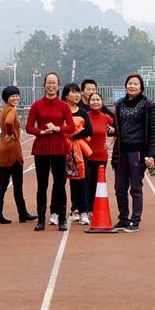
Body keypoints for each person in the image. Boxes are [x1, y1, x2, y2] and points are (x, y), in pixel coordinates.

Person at [25, 72, 75, 231]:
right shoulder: (37, 105)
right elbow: (28, 127)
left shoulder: (64, 106)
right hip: (42, 147)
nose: (51, 85)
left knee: (60, 184)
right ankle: (41, 219)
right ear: (44, 85)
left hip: (59, 147)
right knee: (42, 184)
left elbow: (71, 127)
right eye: (48, 82)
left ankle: (62, 219)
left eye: (54, 83)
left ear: (58, 86)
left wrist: (58, 128)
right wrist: (41, 132)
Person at [111, 73, 155, 232]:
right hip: (121, 152)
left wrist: (151, 154)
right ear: (125, 86)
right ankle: (123, 219)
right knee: (119, 188)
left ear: (141, 87)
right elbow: (116, 127)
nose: (132, 86)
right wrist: (111, 130)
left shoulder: (147, 105)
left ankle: (135, 220)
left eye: (135, 84)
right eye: (129, 83)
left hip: (137, 152)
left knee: (135, 188)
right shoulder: (119, 104)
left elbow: (153, 131)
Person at [0, 85, 35, 223]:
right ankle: (22, 213)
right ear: (7, 98)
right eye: (12, 96)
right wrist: (12, 134)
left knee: (3, 183)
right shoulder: (11, 110)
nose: (15, 98)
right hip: (12, 150)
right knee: (17, 184)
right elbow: (9, 122)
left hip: (2, 149)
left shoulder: (4, 109)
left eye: (17, 95)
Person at [61, 82, 91, 224]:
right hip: (64, 150)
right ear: (66, 95)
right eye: (74, 92)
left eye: (78, 92)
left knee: (81, 181)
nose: (77, 95)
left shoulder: (83, 112)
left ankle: (83, 211)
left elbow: (88, 130)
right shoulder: (61, 110)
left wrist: (73, 135)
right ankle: (63, 211)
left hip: (79, 150)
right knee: (63, 181)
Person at [83, 90, 114, 210]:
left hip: (101, 156)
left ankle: (96, 208)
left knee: (98, 183)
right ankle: (86, 209)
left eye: (98, 100)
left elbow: (118, 129)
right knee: (87, 183)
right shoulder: (85, 116)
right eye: (93, 100)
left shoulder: (106, 118)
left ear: (102, 102)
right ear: (89, 102)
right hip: (87, 156)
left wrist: (111, 143)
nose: (95, 102)